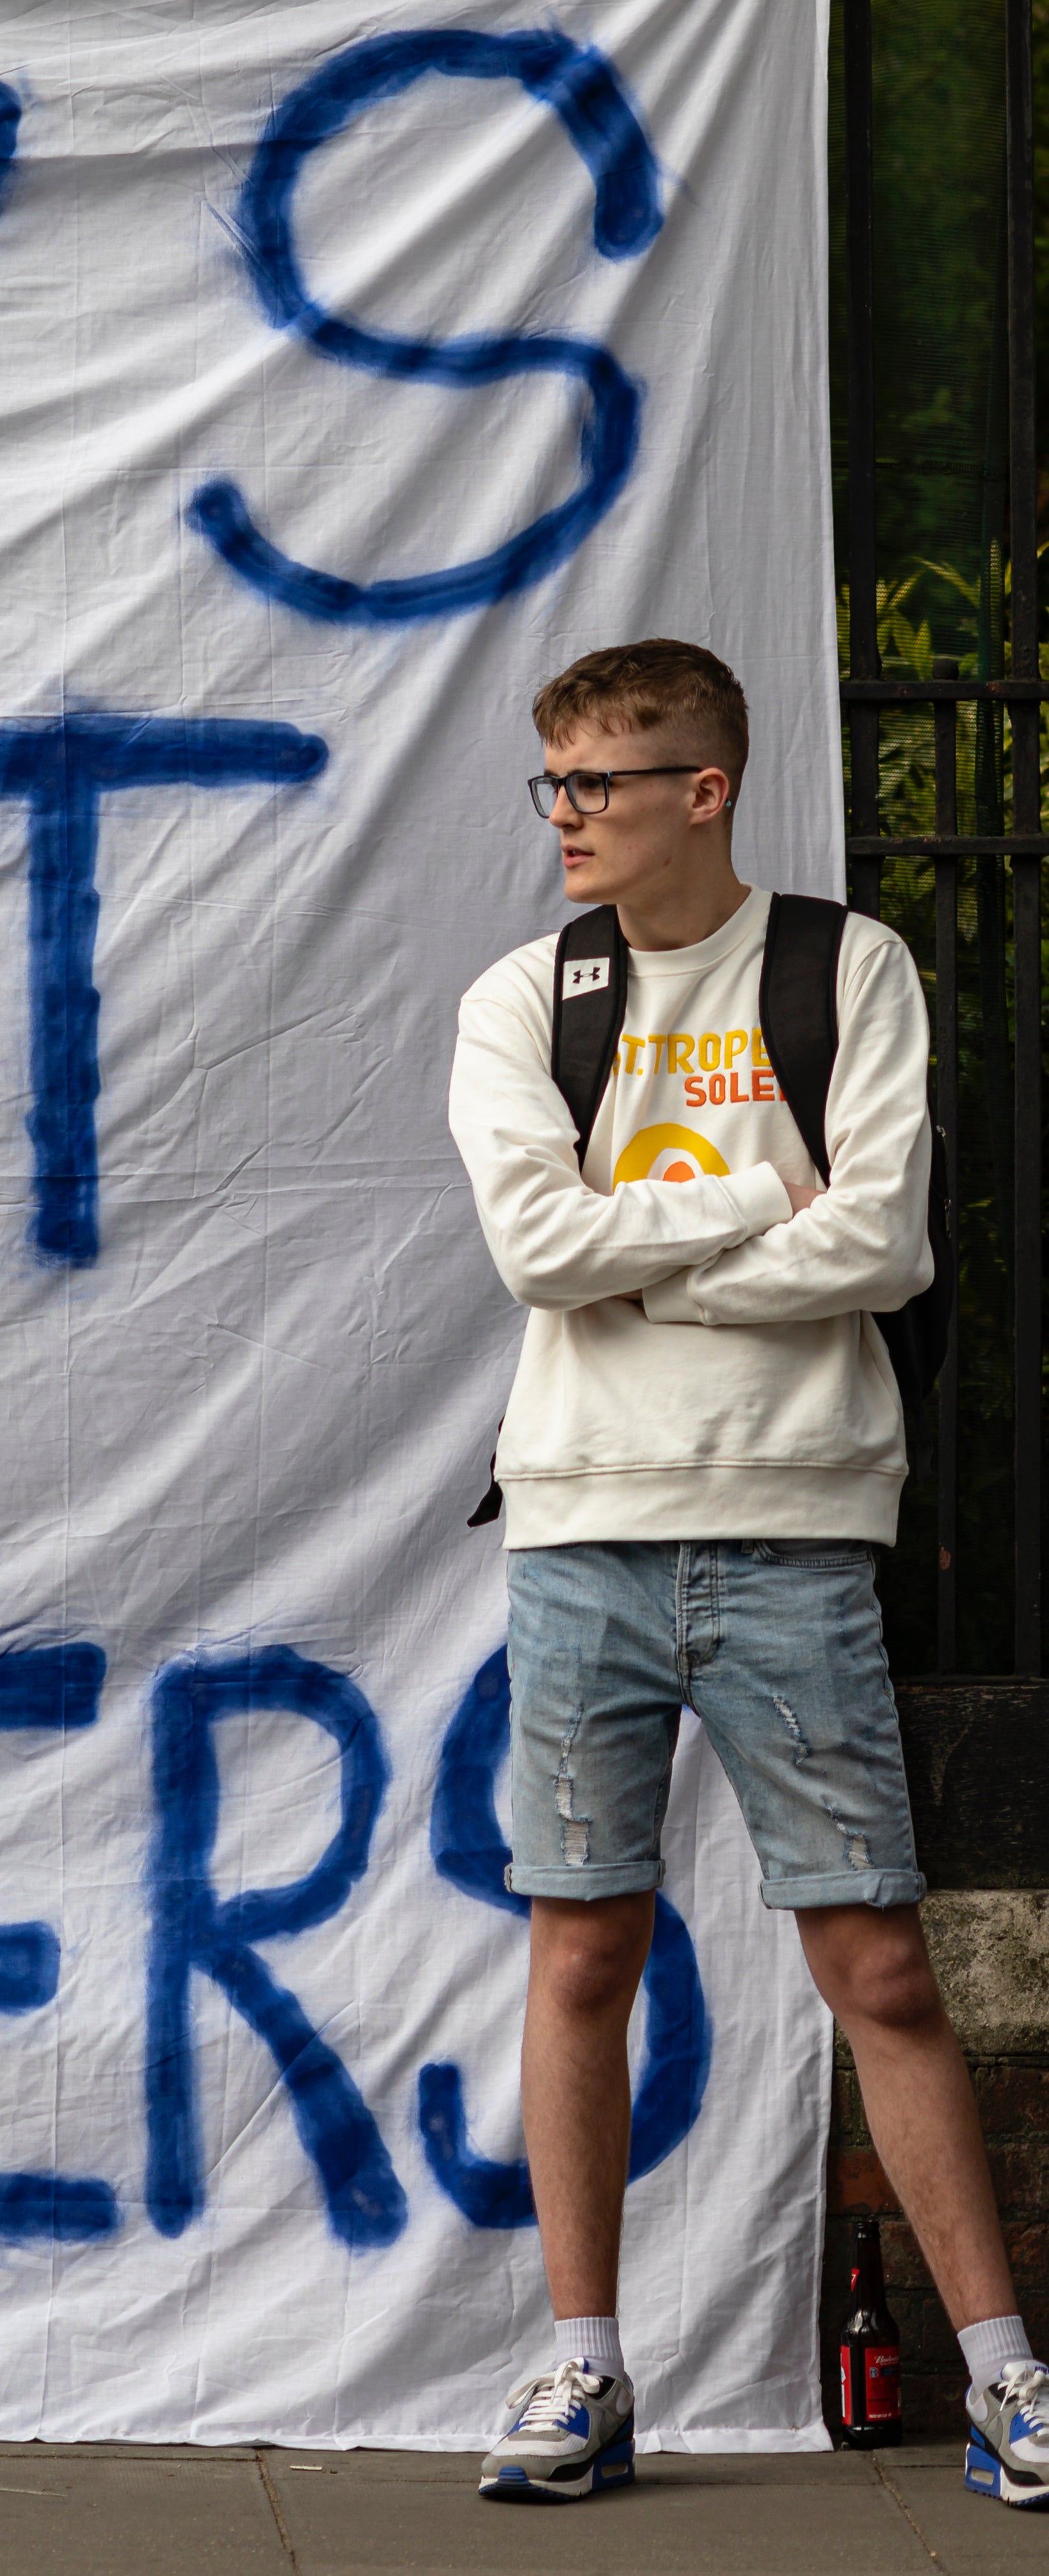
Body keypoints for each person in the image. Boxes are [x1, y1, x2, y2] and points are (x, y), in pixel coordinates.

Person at [446, 640, 1042, 2508]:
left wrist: (652, 1252)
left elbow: (879, 1244)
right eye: (550, 786)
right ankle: (582, 2371)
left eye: (596, 786)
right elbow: (538, 1250)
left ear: (699, 789)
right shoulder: (519, 998)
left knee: (870, 1953)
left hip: (793, 1523)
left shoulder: (836, 968)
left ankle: (1006, 2377)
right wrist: (743, 1207)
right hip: (580, 1522)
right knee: (581, 1946)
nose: (564, 819)